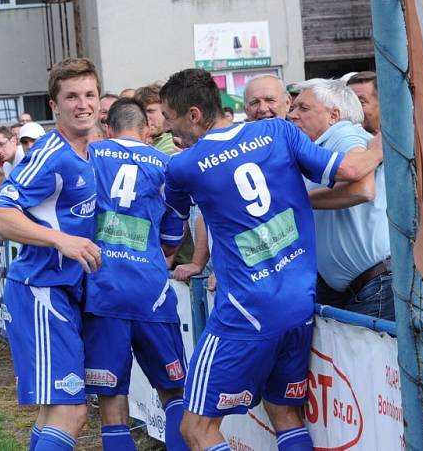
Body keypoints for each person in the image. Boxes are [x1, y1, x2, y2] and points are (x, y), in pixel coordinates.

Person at [159, 68, 384, 451]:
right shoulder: (278, 133)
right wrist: (391, 127)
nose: (167, 128)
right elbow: (352, 170)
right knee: (284, 414)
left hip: (243, 314)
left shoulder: (182, 166)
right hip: (298, 305)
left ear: (194, 115)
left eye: (169, 117)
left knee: (195, 428)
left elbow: (169, 235)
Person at [0, 57, 102, 451]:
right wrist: (60, 241)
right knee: (71, 413)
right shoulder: (52, 155)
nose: (82, 104)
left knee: (53, 414)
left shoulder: (89, 152)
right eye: (71, 97)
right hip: (42, 291)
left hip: (61, 293)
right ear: (55, 106)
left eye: (89, 94)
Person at [86, 98, 187, 450]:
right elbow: (172, 241)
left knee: (112, 398)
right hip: (152, 292)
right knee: (174, 392)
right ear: (147, 131)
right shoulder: (166, 165)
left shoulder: (91, 155)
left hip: (103, 290)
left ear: (107, 128)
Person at [289, 78, 393, 320]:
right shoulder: (316, 147)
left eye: (303, 109)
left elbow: (362, 189)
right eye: (293, 108)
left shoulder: (342, 133)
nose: (293, 115)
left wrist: (298, 200)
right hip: (356, 288)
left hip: (374, 285)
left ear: (334, 115)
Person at [134, 83, 176, 155]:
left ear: (165, 111)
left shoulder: (173, 142)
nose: (144, 117)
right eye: (140, 112)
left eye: (150, 111)